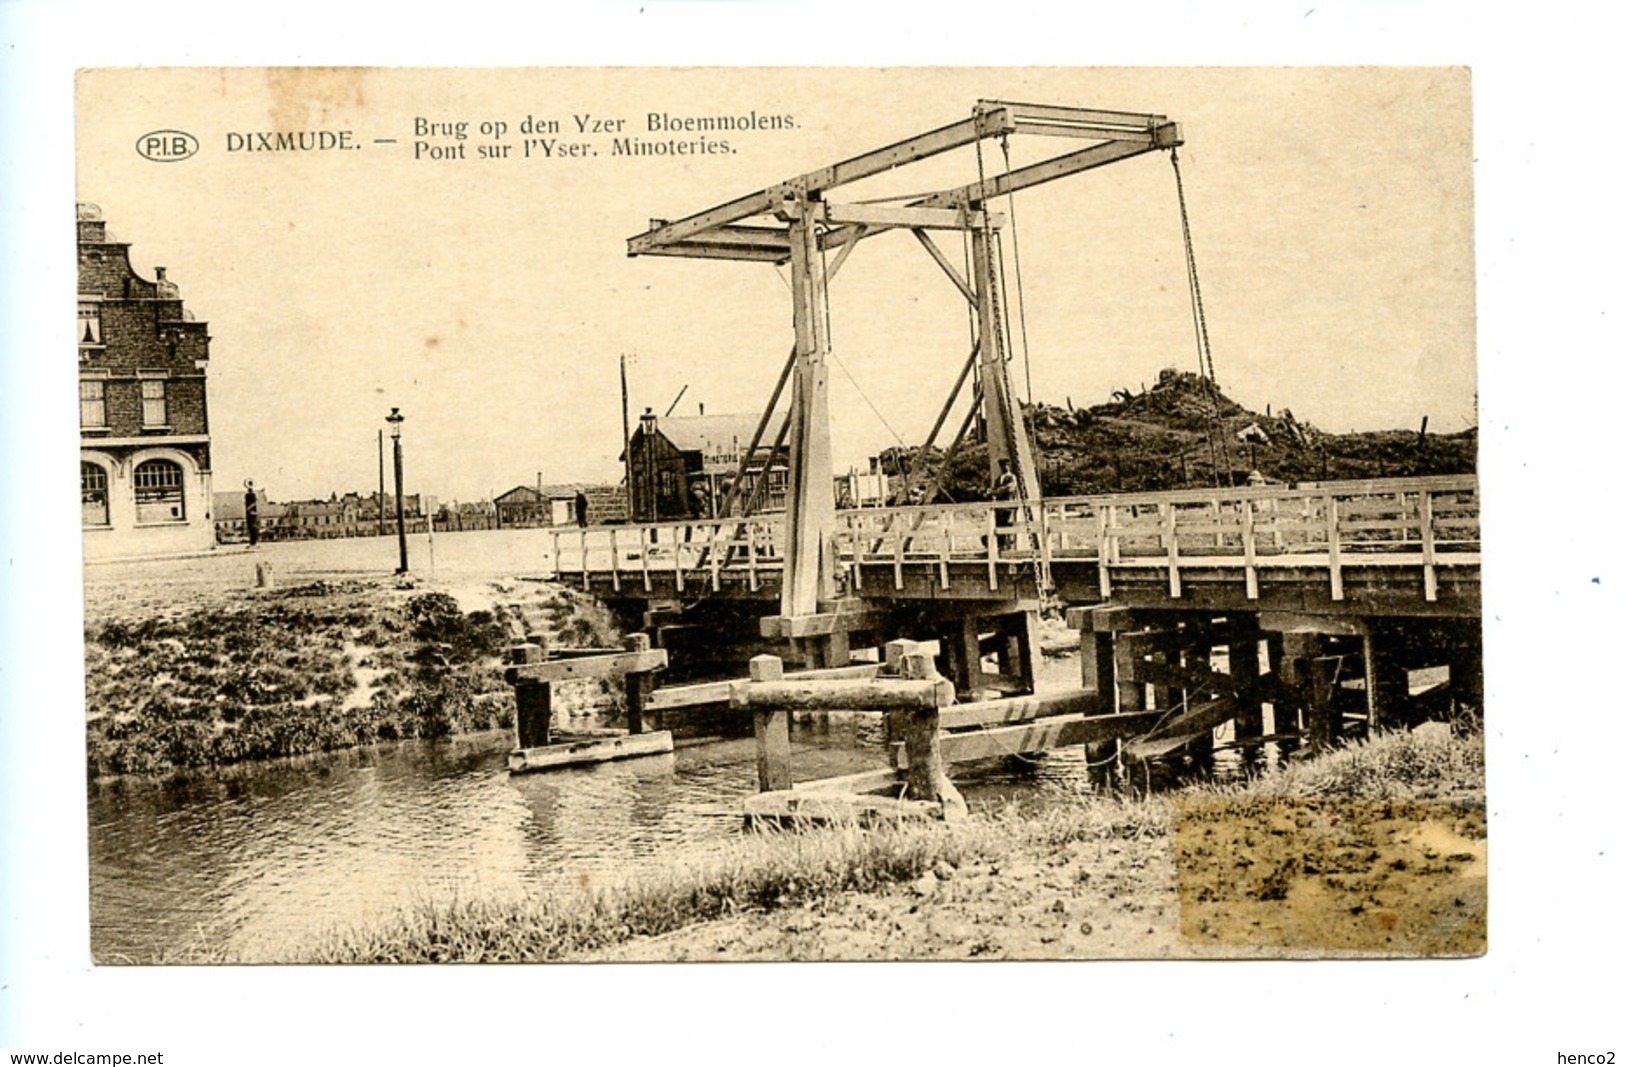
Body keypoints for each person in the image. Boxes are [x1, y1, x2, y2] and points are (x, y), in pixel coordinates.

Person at [990, 458, 1019, 552]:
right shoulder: (999, 478)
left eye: (1006, 465)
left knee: (1006, 524)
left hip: (1008, 505)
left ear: (1009, 466)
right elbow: (994, 489)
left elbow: (1009, 488)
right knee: (999, 524)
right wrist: (991, 491)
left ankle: (1008, 545)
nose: (1005, 467)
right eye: (1003, 466)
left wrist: (996, 491)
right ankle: (1000, 545)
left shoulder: (1012, 477)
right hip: (999, 506)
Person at [243, 480, 260, 547]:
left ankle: (253, 542)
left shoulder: (253, 495)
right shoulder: (247, 495)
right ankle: (252, 542)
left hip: (252, 512)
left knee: (253, 527)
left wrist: (249, 508)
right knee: (250, 527)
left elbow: (254, 503)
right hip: (249, 513)